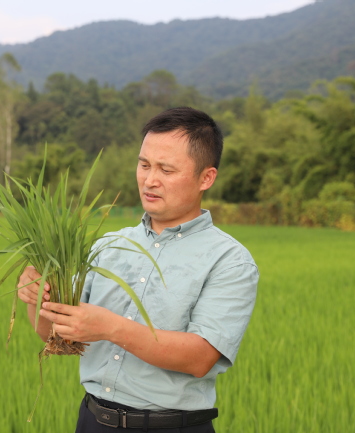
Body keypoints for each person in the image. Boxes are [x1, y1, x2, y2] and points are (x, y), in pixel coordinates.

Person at [18, 107, 259, 432]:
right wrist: (37, 297)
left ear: (206, 178)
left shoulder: (229, 260)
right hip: (93, 420)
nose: (150, 180)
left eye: (166, 169)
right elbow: (55, 335)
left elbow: (200, 358)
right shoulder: (109, 245)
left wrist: (111, 327)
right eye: (144, 165)